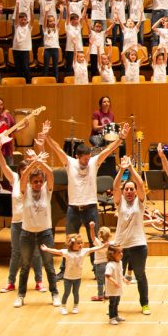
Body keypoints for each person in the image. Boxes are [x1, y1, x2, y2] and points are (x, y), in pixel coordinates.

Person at [42, 119, 129, 280]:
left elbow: (108, 150)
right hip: (73, 209)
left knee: (94, 241)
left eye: (89, 157)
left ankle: (97, 271)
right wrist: (46, 136)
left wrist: (121, 139)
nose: (87, 161)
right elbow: (57, 148)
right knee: (70, 241)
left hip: (90, 208)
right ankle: (64, 270)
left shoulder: (94, 162)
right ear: (77, 156)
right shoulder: (70, 162)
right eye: (84, 158)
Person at [0, 133, 45, 294]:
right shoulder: (15, 179)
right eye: (22, 170)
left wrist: (40, 148)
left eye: (26, 170)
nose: (24, 172)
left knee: (35, 253)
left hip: (31, 223)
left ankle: (39, 281)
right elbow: (3, 166)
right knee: (15, 253)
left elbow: (42, 168)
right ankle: (10, 282)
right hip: (16, 223)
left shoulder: (33, 182)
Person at [12, 148, 59, 308]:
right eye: (35, 181)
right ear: (31, 183)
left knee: (49, 266)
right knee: (24, 266)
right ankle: (20, 295)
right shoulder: (24, 191)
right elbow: (23, 177)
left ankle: (54, 294)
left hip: (45, 233)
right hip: (27, 234)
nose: (38, 184)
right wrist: (33, 162)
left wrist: (40, 162)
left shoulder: (47, 190)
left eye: (40, 181)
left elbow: (50, 174)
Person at [112, 155, 150, 315]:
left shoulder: (140, 202)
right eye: (126, 189)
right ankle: (114, 307)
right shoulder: (119, 202)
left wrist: (131, 168)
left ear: (135, 192)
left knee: (140, 275)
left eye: (131, 189)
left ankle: (145, 304)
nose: (129, 191)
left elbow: (141, 184)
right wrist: (122, 170)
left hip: (138, 245)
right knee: (117, 276)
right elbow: (115, 187)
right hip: (120, 246)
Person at [40, 233, 106, 315]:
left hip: (77, 278)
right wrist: (47, 249)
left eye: (81, 243)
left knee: (76, 293)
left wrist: (103, 246)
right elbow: (57, 251)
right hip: (67, 278)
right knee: (66, 293)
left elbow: (93, 249)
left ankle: (76, 306)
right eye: (78, 243)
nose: (80, 245)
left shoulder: (84, 251)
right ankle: (63, 306)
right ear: (72, 244)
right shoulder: (67, 252)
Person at [0, 96, 15, 181]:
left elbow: (13, 128)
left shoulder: (7, 116)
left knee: (9, 171)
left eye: (2, 104)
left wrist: (23, 126)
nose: (1, 107)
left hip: (7, 147)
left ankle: (8, 191)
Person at [105, 244, 126, 325]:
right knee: (112, 303)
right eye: (119, 252)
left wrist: (124, 279)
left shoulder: (120, 262)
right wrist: (114, 282)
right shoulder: (110, 265)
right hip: (112, 288)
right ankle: (111, 317)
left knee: (117, 302)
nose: (121, 254)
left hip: (118, 287)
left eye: (122, 252)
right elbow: (107, 275)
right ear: (112, 254)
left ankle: (116, 315)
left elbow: (120, 273)